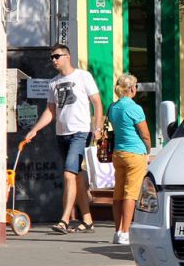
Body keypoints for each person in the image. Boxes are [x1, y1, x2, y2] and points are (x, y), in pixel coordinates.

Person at [24, 44, 103, 234]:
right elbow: (50, 111)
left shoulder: (83, 76)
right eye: (52, 57)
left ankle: (64, 220)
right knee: (77, 177)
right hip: (62, 135)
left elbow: (97, 103)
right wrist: (34, 129)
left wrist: (98, 128)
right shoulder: (53, 82)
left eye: (57, 56)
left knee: (68, 175)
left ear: (67, 56)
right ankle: (87, 220)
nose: (54, 60)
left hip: (80, 133)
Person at [107, 73, 151, 245]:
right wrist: (148, 150)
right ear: (132, 88)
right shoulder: (134, 108)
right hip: (135, 153)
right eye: (136, 86)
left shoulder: (113, 107)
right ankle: (125, 232)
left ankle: (117, 231)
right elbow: (145, 134)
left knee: (118, 193)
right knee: (130, 194)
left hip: (118, 153)